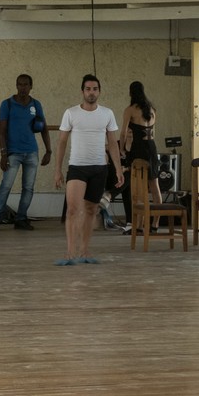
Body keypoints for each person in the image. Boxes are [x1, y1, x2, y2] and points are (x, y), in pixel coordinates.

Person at [53, 74, 124, 265]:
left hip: (99, 168)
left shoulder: (107, 113)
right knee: (72, 210)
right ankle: (70, 252)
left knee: (91, 210)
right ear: (82, 91)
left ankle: (84, 251)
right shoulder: (71, 113)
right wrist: (58, 170)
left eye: (95, 89)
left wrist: (118, 169)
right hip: (77, 167)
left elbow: (113, 143)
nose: (91, 92)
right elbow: (62, 142)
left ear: (99, 91)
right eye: (88, 89)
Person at [0, 74, 52, 231]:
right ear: (16, 85)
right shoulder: (7, 104)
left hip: (32, 152)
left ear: (31, 86)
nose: (23, 88)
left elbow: (44, 128)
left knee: (28, 188)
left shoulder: (36, 104)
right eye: (20, 84)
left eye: (26, 84)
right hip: (13, 153)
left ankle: (21, 218)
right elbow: (2, 132)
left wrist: (48, 150)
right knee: (6, 186)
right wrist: (3, 154)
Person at [119, 80, 161, 232]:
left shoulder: (130, 110)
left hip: (138, 150)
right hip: (152, 148)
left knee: (139, 188)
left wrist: (122, 149)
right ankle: (155, 224)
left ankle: (139, 225)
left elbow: (123, 133)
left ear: (131, 93)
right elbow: (152, 132)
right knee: (154, 186)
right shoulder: (152, 110)